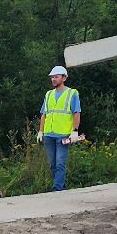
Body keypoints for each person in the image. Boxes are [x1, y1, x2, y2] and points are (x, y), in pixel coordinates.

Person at [38, 64, 83, 192]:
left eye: (56, 77)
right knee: (52, 164)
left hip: (63, 135)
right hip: (49, 134)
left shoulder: (72, 93)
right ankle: (61, 188)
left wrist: (75, 131)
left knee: (60, 163)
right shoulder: (48, 94)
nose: (53, 79)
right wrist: (41, 131)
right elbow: (44, 114)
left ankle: (57, 189)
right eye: (52, 77)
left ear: (64, 78)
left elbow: (76, 113)